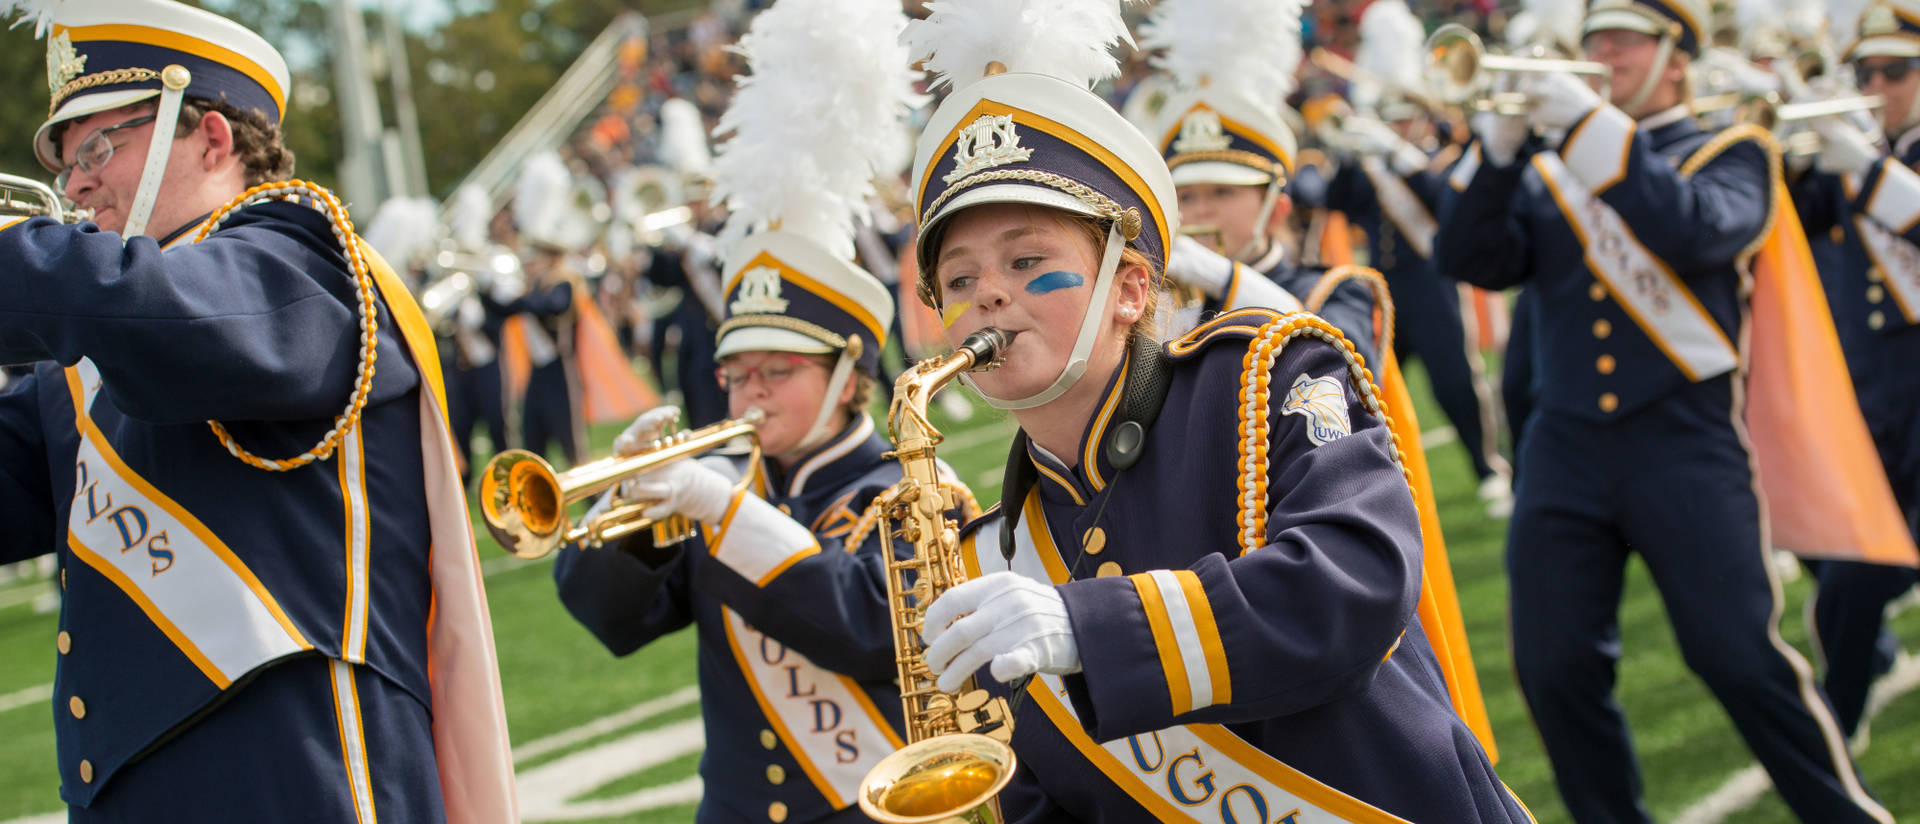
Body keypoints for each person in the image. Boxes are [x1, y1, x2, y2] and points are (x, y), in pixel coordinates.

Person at [898, 0, 1529, 819]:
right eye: (958, 279)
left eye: (1028, 260)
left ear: (1131, 289)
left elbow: (1358, 582)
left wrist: (1089, 629)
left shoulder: (1263, 374)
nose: (988, 293)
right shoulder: (988, 559)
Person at [0, 0, 514, 820]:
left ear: (212, 137)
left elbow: (165, 318)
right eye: (67, 163)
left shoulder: (300, 258)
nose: (77, 181)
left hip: (299, 781)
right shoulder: (91, 348)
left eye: (101, 144)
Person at [1433, 0, 1891, 820]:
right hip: (1565, 446)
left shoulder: (1734, 150)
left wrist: (1583, 129)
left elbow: (1696, 231)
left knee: (1738, 658)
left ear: (1675, 56)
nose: (1604, 53)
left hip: (1684, 442)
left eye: (1624, 39)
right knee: (1552, 666)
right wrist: (1498, 159)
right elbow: (1471, 259)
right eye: (1596, 39)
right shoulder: (1553, 164)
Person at [551, 1, 948, 820]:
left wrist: (720, 510)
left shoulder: (911, 491)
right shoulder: (723, 485)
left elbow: (868, 628)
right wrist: (625, 506)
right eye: (736, 374)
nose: (750, 392)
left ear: (850, 373)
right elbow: (609, 621)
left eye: (778, 370)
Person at [1787, 0, 1920, 743]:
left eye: (1895, 72)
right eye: (1864, 71)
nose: (1876, 85)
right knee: (1849, 573)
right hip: (1874, 396)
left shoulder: (1875, 162)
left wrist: (1865, 167)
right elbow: (1791, 222)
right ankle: (1841, 728)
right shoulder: (1859, 152)